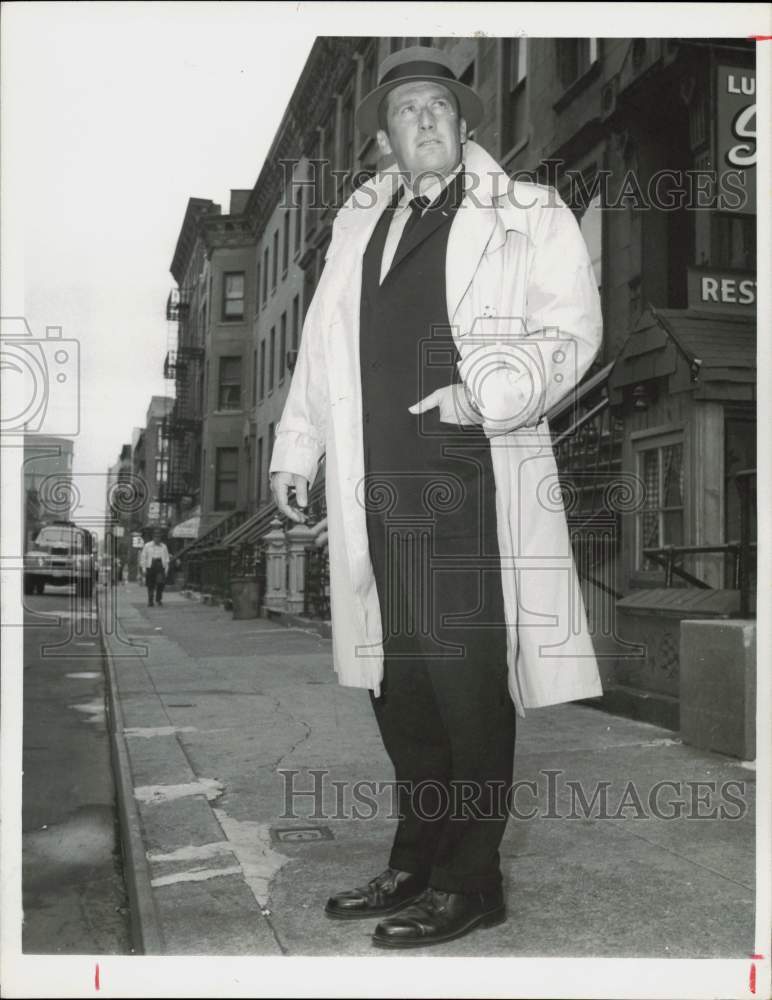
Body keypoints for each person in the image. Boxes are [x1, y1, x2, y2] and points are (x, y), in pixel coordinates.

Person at [270, 45, 603, 949]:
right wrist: (296, 447)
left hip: (466, 480)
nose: (425, 121)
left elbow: (571, 332)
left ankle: (473, 880)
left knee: (465, 692)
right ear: (383, 137)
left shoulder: (526, 213)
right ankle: (418, 857)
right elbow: (318, 354)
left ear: (464, 125)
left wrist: (485, 389)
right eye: (407, 110)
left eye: (441, 108)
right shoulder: (354, 228)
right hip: (373, 488)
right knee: (398, 689)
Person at [139, 528, 169, 608]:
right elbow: (143, 558)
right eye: (156, 536)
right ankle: (150, 601)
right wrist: (144, 569)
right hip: (151, 565)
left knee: (160, 583)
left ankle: (158, 599)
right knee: (150, 584)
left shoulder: (164, 547)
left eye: (159, 536)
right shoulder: (147, 546)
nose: (157, 538)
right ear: (153, 537)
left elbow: (166, 559)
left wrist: (166, 569)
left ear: (160, 537)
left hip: (160, 565)